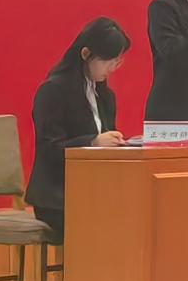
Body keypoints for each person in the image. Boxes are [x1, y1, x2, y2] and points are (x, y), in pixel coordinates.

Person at [25, 18, 131, 237]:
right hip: (57, 197)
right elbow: (50, 148)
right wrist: (92, 142)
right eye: (108, 61)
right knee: (108, 221)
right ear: (86, 54)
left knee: (132, 211)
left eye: (117, 62)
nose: (113, 68)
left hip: (93, 189)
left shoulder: (106, 96)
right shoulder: (53, 90)